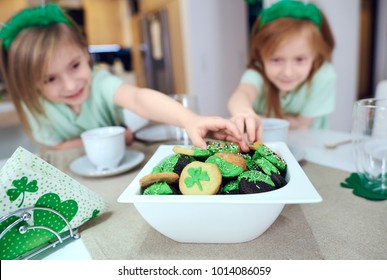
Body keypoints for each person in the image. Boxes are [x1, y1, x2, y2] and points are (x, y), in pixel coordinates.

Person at [0, 4, 248, 151]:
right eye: (50, 79)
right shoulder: (33, 107)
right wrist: (116, 136)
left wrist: (190, 119)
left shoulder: (99, 82)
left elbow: (138, 99)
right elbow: (55, 147)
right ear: (30, 83)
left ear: (85, 54)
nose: (70, 84)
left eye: (75, 66)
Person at [228, 0, 336, 143]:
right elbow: (242, 94)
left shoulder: (323, 76)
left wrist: (260, 119)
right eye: (276, 60)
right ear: (261, 56)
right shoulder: (257, 74)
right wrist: (244, 112)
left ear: (315, 56)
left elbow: (302, 123)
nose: (288, 73)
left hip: (313, 147)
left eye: (299, 59)